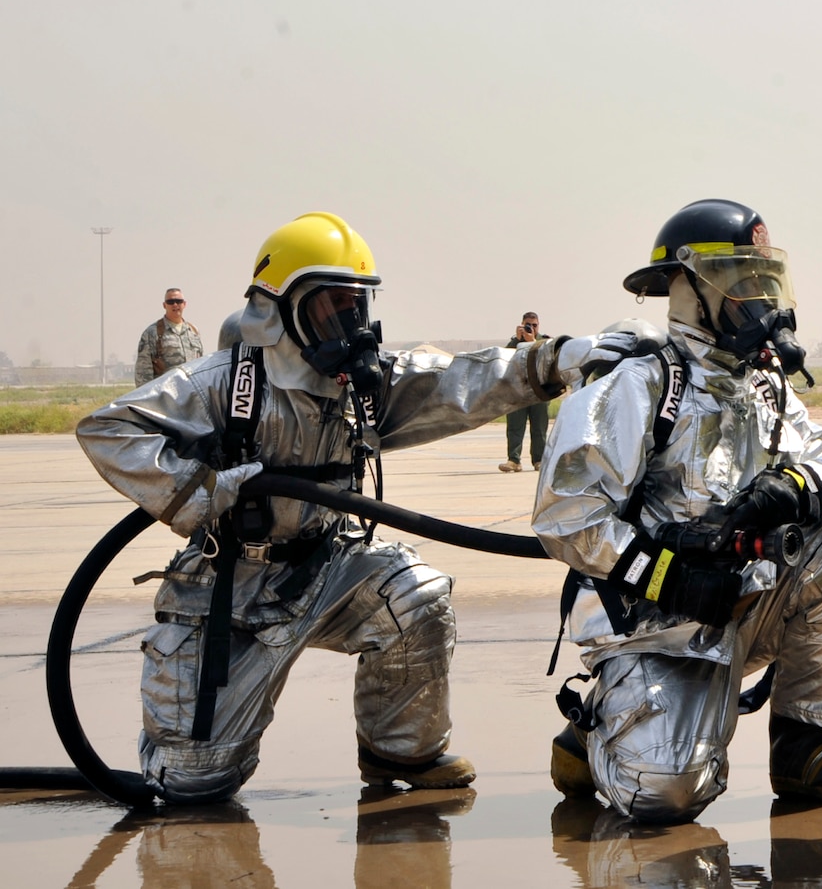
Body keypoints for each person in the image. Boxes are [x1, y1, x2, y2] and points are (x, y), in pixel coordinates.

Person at [76, 211, 632, 803]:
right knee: (195, 782)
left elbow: (461, 380)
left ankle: (402, 752)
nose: (349, 323)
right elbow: (108, 430)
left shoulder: (361, 385)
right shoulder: (219, 384)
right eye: (330, 305)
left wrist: (558, 358)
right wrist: (204, 489)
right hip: (230, 587)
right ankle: (189, 760)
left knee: (413, 594)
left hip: (326, 568)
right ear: (278, 307)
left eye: (356, 304)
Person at [532, 199, 822, 824]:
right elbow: (567, 517)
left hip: (747, 600)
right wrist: (671, 576)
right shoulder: (638, 383)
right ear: (690, 289)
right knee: (664, 796)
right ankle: (594, 732)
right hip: (659, 620)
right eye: (742, 281)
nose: (759, 299)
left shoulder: (765, 383)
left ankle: (802, 747)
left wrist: (799, 484)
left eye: (763, 280)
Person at [502, 312, 551, 473]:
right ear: (522, 325)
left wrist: (533, 342)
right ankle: (513, 460)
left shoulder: (545, 341)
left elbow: (548, 359)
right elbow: (505, 359)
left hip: (539, 391)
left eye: (535, 325)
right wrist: (517, 339)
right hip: (518, 391)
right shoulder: (514, 343)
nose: (532, 328)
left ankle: (539, 460)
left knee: (539, 428)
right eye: (528, 325)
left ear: (539, 325)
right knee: (515, 427)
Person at [135, 288, 205, 385]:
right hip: (166, 394)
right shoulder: (152, 333)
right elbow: (143, 373)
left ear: (184, 304)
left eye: (178, 301)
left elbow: (200, 365)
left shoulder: (194, 331)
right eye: (171, 302)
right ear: (164, 305)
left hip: (191, 393)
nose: (175, 304)